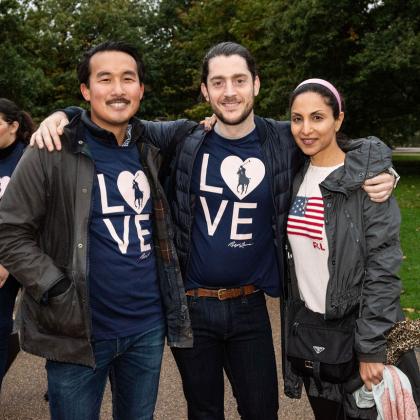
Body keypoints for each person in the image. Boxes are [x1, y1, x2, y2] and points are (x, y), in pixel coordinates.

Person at [30, 42, 396, 420]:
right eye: (218, 82)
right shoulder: (183, 138)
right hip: (193, 307)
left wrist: (384, 168)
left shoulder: (284, 139)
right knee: (203, 411)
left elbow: (343, 141)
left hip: (250, 306)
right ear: (205, 91)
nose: (229, 92)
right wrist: (66, 113)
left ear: (256, 84)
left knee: (261, 410)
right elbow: (114, 116)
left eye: (239, 80)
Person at [0, 41, 193, 420]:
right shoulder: (49, 149)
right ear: (86, 91)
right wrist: (53, 285)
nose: (118, 89)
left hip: (146, 329)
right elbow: (8, 230)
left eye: (128, 79)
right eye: (105, 79)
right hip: (76, 331)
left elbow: (211, 125)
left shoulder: (149, 146)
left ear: (140, 89)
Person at [283, 78, 420, 419]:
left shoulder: (367, 184)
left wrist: (371, 349)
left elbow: (383, 269)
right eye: (297, 118)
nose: (306, 128)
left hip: (360, 338)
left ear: (338, 120)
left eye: (318, 117)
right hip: (316, 340)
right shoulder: (296, 177)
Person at [0, 98, 35, 391]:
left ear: (13, 126)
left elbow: (39, 215)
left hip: (29, 254)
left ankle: (60, 373)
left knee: (52, 322)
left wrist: (7, 262)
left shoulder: (30, 158)